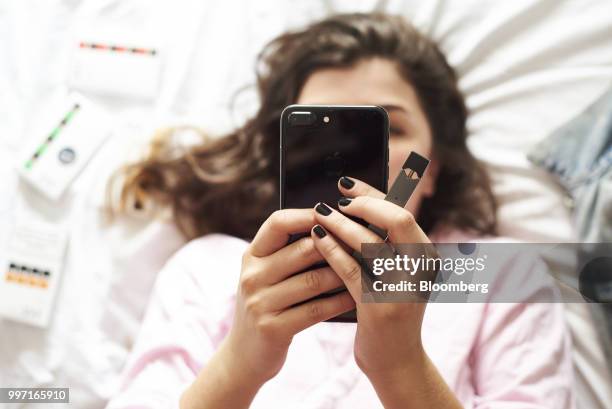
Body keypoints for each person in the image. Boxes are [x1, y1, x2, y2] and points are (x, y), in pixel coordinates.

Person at [105, 13, 575, 409]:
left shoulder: (503, 276)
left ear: (432, 169)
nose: (351, 155)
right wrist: (239, 364)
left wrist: (400, 367)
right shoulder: (208, 270)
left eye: (386, 126)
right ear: (284, 160)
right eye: (323, 134)